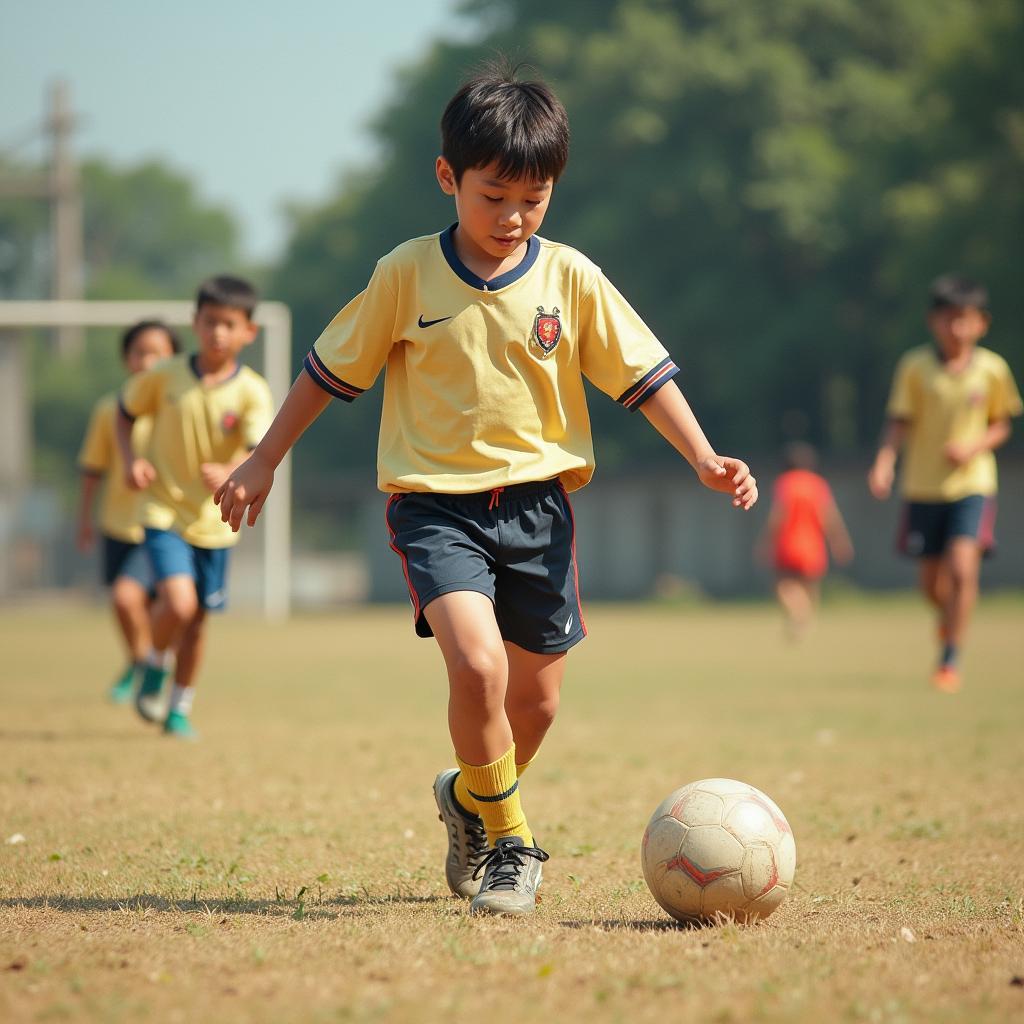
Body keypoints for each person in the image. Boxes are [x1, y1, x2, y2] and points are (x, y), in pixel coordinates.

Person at [215, 64, 758, 916]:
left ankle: (469, 798)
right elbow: (326, 371)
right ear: (448, 179)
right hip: (436, 507)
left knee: (533, 705)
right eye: (493, 196)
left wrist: (702, 455)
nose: (512, 218)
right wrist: (263, 456)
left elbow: (641, 374)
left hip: (541, 512)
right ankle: (511, 844)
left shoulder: (570, 277)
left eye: (532, 201)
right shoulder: (405, 273)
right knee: (477, 665)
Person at [116, 276, 274, 738]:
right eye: (209, 322)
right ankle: (152, 664)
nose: (217, 333)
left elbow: (256, 447)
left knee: (198, 621)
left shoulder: (252, 391)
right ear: (195, 323)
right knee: (179, 605)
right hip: (163, 510)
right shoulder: (163, 377)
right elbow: (123, 416)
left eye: (229, 324)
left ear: (249, 332)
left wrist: (231, 466)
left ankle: (179, 706)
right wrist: (130, 461)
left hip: (216, 521)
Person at [868, 273, 1021, 693]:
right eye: (947, 319)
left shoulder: (992, 369)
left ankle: (951, 658)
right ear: (932, 321)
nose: (956, 329)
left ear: (981, 323)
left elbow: (1001, 424)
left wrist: (975, 447)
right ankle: (948, 621)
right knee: (931, 584)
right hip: (922, 486)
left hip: (972, 485)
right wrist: (884, 463)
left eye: (964, 319)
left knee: (962, 568)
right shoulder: (915, 367)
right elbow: (898, 422)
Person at [77, 321, 180, 702]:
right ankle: (141, 662)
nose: (148, 361)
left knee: (128, 598)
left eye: (158, 353)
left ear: (175, 359)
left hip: (161, 522)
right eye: (140, 352)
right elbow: (92, 470)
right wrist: (84, 520)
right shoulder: (111, 410)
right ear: (126, 360)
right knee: (126, 607)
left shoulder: (177, 404)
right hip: (116, 524)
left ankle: (147, 667)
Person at [758, 442, 853, 639]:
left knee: (783, 585)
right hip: (813, 545)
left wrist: (766, 541)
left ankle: (799, 613)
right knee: (809, 587)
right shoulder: (818, 484)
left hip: (788, 543)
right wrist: (840, 542)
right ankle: (805, 621)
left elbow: (778, 515)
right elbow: (830, 517)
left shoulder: (785, 483)